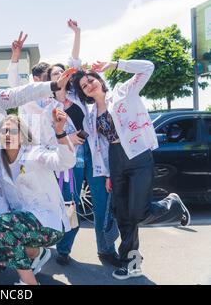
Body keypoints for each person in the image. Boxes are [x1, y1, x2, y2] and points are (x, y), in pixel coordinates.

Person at [71, 59, 191, 280]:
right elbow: (95, 143)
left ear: (99, 79)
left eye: (91, 80)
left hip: (138, 155)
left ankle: (171, 204)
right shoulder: (90, 114)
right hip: (115, 161)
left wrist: (116, 65)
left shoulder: (123, 91)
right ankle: (131, 262)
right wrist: (106, 172)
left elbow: (148, 68)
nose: (89, 85)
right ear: (84, 93)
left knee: (138, 213)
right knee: (123, 215)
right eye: (84, 86)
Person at [42, 20, 120, 267]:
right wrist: (66, 139)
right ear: (51, 81)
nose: (60, 75)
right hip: (68, 159)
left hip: (93, 154)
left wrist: (77, 33)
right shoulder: (47, 107)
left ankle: (106, 249)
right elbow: (47, 137)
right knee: (71, 205)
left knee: (102, 203)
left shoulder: (77, 95)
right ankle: (63, 249)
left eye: (62, 72)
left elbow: (74, 61)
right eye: (55, 74)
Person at [0, 113, 76, 285]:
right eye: (4, 131)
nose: (7, 135)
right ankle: (36, 253)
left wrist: (60, 133)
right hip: (23, 223)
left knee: (0, 229)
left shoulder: (34, 153)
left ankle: (29, 283)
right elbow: (0, 194)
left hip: (49, 223)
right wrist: (1, 228)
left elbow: (64, 162)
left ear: (22, 136)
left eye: (13, 131)